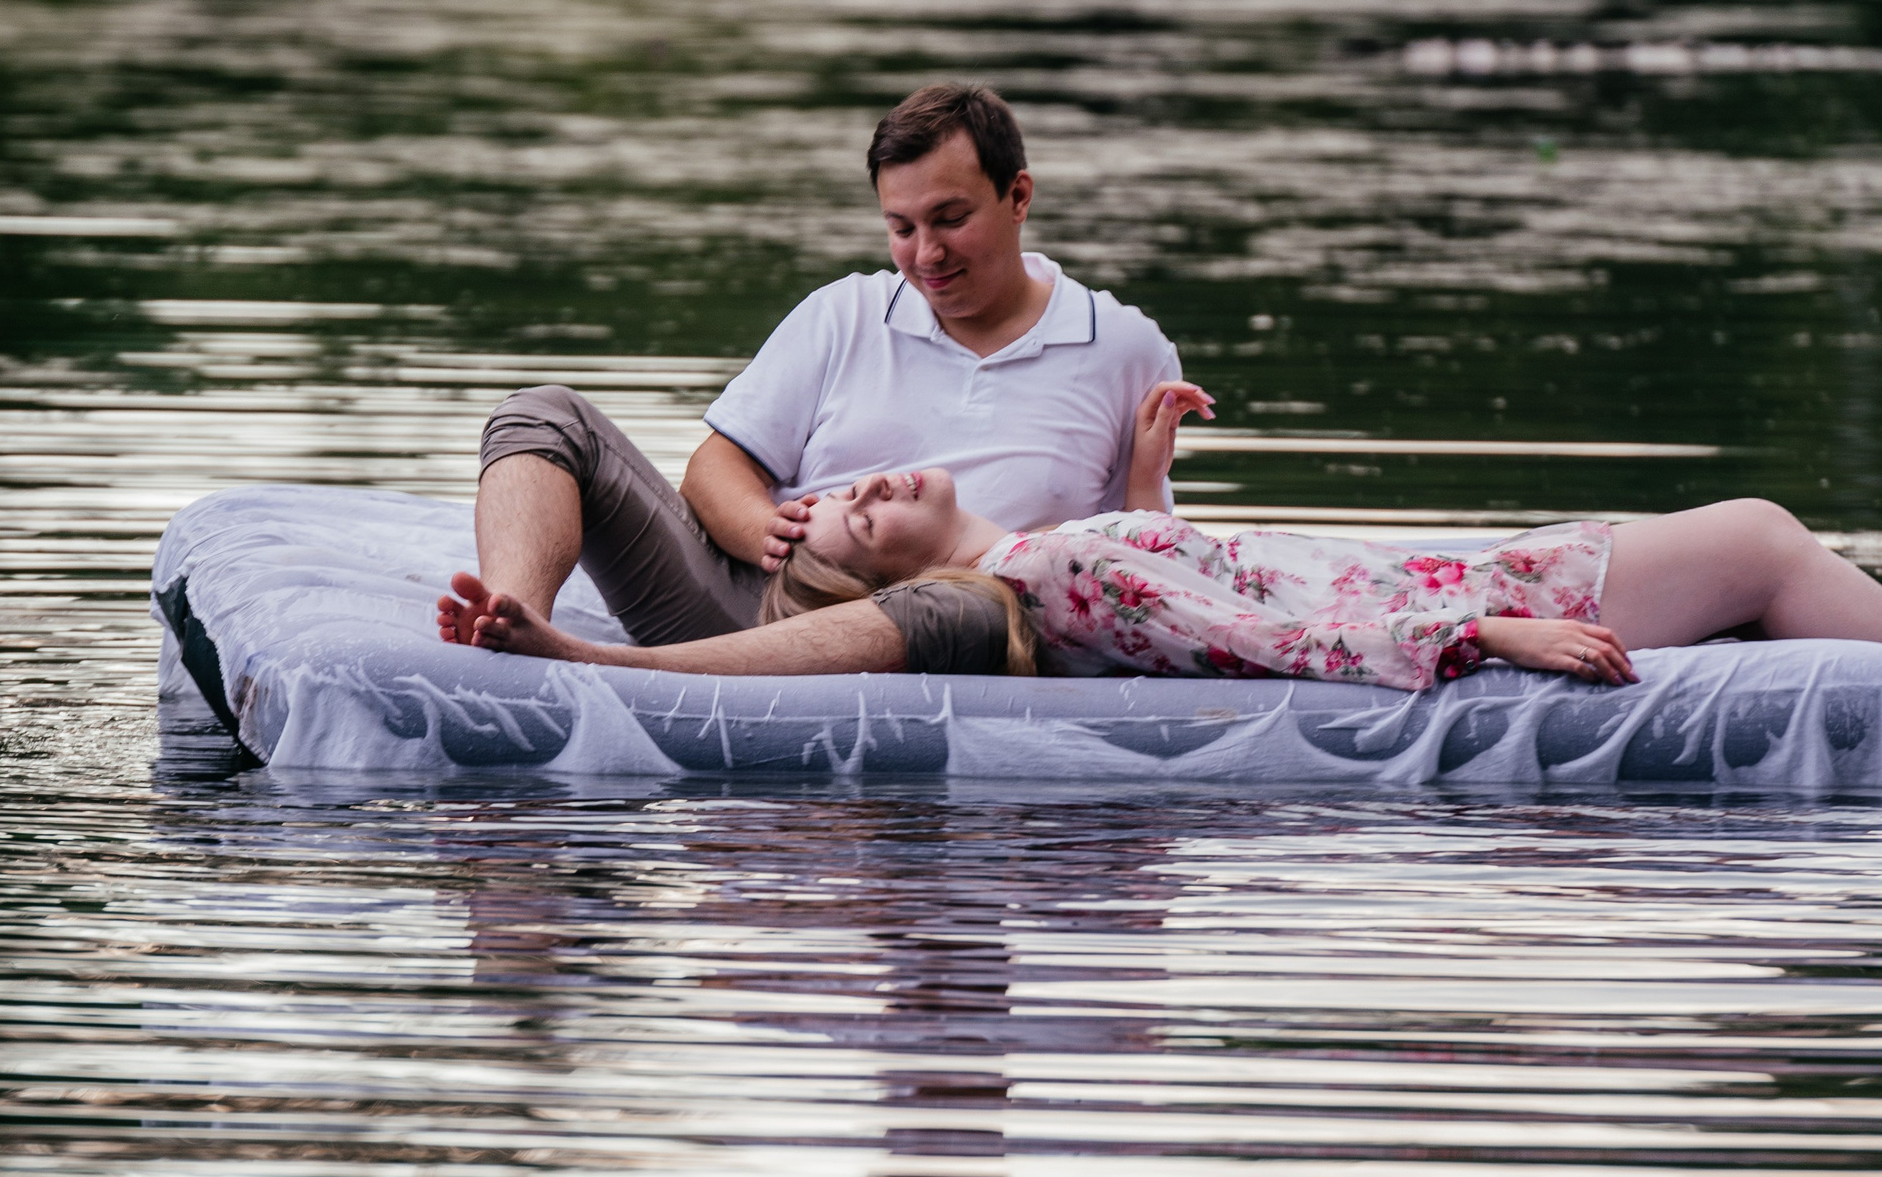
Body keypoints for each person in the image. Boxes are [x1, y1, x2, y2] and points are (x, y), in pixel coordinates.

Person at [440, 379, 1882, 689]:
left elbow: (1180, 587)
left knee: (1763, 547)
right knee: (1759, 538)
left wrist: (1144, 487)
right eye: (863, 512)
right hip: (1456, 589)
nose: (866, 486)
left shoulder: (1079, 547)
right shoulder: (1045, 571)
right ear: (900, 566)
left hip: (1434, 575)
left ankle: (537, 631)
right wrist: (1481, 628)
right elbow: (1264, 630)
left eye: (866, 481)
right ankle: (537, 631)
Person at [469, 82, 1181, 677]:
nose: (926, 254)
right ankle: (506, 631)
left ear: (1018, 196)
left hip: (945, 635)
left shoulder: (1124, 350)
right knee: (546, 413)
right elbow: (716, 468)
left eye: (950, 219)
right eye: (901, 227)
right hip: (757, 604)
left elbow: (1135, 559)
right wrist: (763, 531)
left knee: (968, 603)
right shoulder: (844, 313)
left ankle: (606, 666)